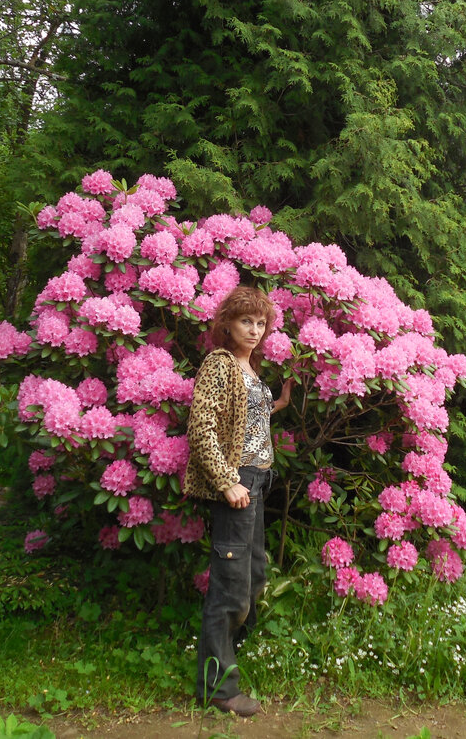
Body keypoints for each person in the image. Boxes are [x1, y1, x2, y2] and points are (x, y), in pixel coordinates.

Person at [184, 286, 292, 717]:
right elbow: (202, 427)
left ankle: (225, 658)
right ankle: (218, 689)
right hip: (238, 484)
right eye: (246, 321)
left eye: (260, 323)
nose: (254, 329)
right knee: (230, 588)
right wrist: (228, 481)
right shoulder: (220, 363)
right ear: (227, 324)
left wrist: (276, 404)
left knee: (253, 579)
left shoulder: (251, 368)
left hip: (258, 483)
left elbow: (245, 421)